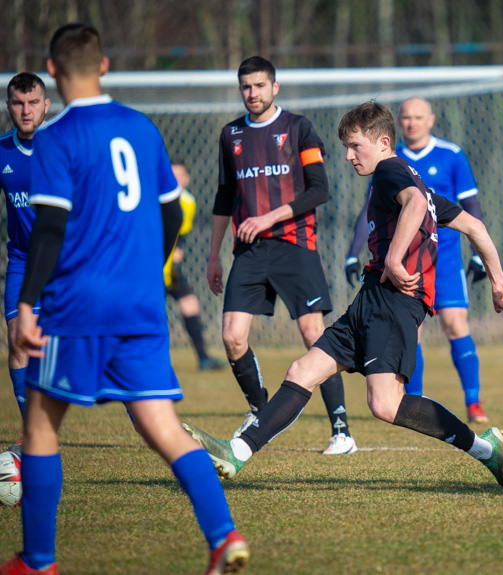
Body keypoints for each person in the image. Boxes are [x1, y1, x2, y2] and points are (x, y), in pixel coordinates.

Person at [0, 23, 248, 575]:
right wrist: (149, 268)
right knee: (161, 425)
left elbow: (47, 229)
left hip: (78, 306)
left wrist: (25, 306)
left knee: (40, 427)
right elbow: (167, 213)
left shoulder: (57, 137)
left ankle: (38, 561)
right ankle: (223, 534)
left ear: (55, 72)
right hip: (140, 306)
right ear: (105, 65)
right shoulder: (141, 129)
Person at [182, 102, 503, 489]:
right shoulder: (417, 185)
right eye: (346, 147)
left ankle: (485, 448)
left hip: (394, 302)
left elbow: (412, 205)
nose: (348, 156)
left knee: (385, 404)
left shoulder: (392, 171)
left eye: (356, 146)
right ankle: (236, 453)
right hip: (370, 299)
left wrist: (394, 259)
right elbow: (474, 225)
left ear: (383, 142)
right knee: (302, 372)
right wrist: (498, 278)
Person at [208, 56, 357, 456]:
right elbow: (224, 196)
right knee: (232, 337)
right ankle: (259, 411)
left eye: (259, 85)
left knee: (313, 335)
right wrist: (213, 256)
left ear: (275, 87)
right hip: (250, 251)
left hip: (295, 245)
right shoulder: (231, 134)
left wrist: (268, 217)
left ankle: (341, 430)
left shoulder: (298, 128)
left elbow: (318, 190)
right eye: (245, 87)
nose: (252, 93)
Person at [345, 97, 490, 423]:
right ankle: (415, 401)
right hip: (410, 262)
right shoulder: (384, 160)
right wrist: (352, 253)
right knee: (413, 333)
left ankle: (474, 402)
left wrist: (480, 257)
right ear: (398, 122)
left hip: (447, 256)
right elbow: (369, 210)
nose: (412, 123)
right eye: (406, 117)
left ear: (431, 119)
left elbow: (471, 207)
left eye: (418, 117)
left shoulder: (451, 155)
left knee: (455, 325)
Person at [0, 72, 50, 423]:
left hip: (68, 262)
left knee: (101, 342)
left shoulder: (64, 146)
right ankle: (32, 431)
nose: (26, 110)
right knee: (17, 338)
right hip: (22, 260)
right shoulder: (2, 150)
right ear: (8, 107)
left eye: (33, 102)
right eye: (18, 103)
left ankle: (144, 419)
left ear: (46, 105)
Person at [165, 160, 225, 371]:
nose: (176, 180)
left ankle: (203, 358)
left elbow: (181, 233)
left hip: (170, 265)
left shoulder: (188, 202)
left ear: (187, 179)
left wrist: (178, 249)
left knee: (189, 303)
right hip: (152, 265)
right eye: (171, 175)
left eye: (180, 175)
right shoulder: (155, 197)